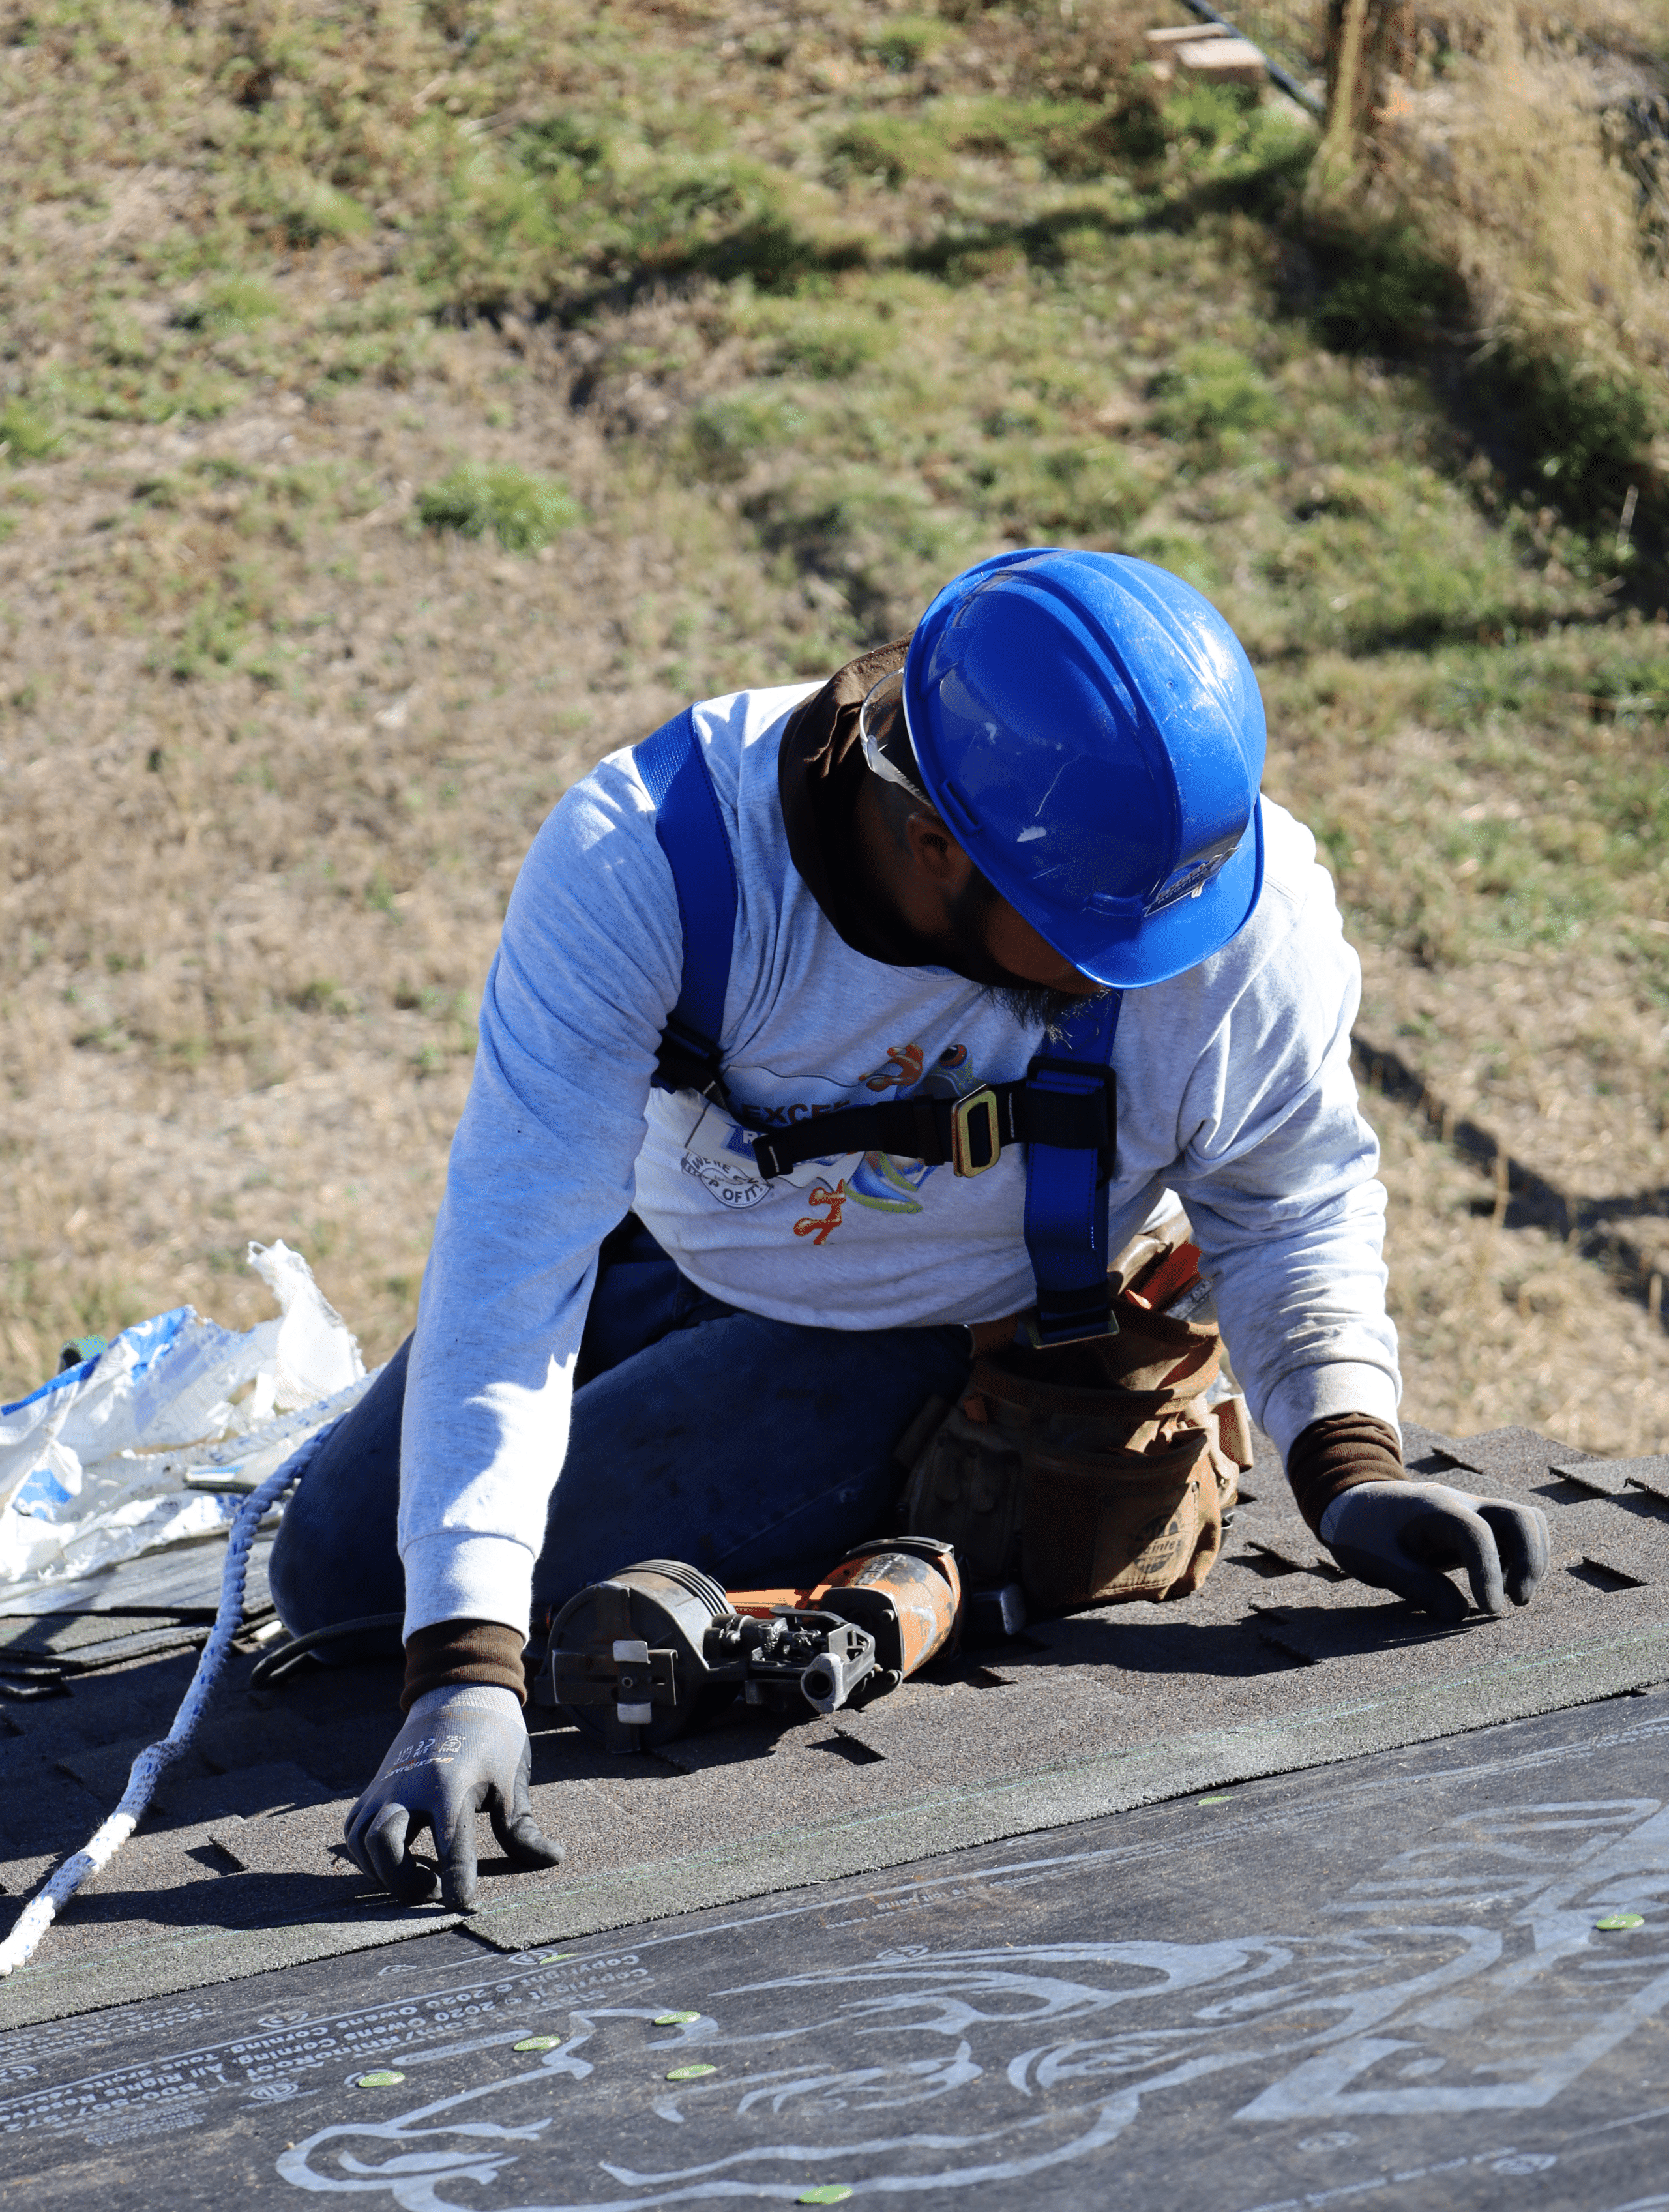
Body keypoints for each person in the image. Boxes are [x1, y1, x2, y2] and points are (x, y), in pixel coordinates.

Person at [271, 548, 1550, 1912]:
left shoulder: (1209, 891)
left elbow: (1285, 1187)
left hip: (942, 1328)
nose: (1163, 963)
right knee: (339, 1579)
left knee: (432, 1604)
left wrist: (1348, 1461)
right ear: (933, 844)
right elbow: (510, 1259)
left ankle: (931, 1494)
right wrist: (462, 1667)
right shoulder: (656, 863)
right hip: (671, 1245)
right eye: (1097, 942)